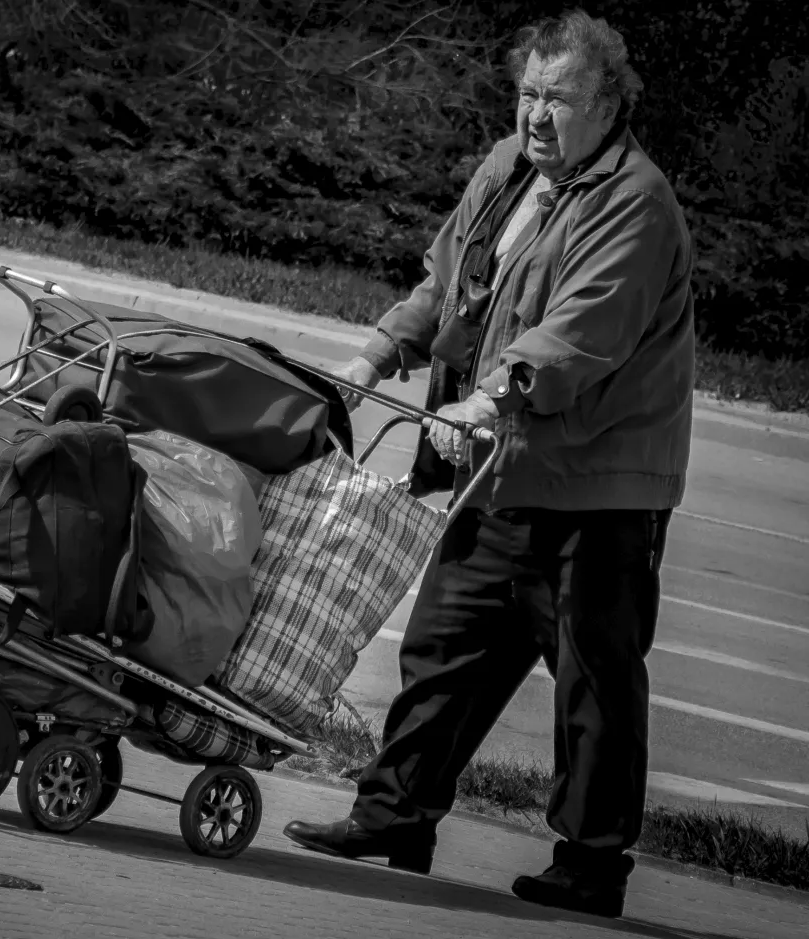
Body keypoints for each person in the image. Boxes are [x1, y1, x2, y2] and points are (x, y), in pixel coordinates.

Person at [283, 9, 694, 920]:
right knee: (445, 642)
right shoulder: (507, 173)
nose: (536, 117)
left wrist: (485, 399)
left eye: (560, 99)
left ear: (610, 107)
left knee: (593, 676)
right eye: (528, 94)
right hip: (500, 463)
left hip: (599, 485)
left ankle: (591, 864)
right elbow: (447, 287)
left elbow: (576, 336)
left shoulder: (634, 201)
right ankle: (394, 814)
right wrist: (371, 360)